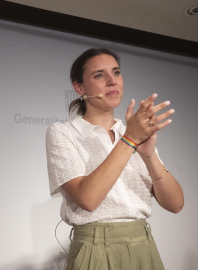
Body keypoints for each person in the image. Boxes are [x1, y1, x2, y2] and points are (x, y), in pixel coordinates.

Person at [46, 48, 184, 270]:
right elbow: (88, 198)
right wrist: (130, 139)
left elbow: (175, 204)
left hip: (143, 244)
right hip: (95, 248)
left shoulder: (132, 131)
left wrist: (149, 156)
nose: (112, 81)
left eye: (116, 72)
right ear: (79, 87)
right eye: (99, 75)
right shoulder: (63, 132)